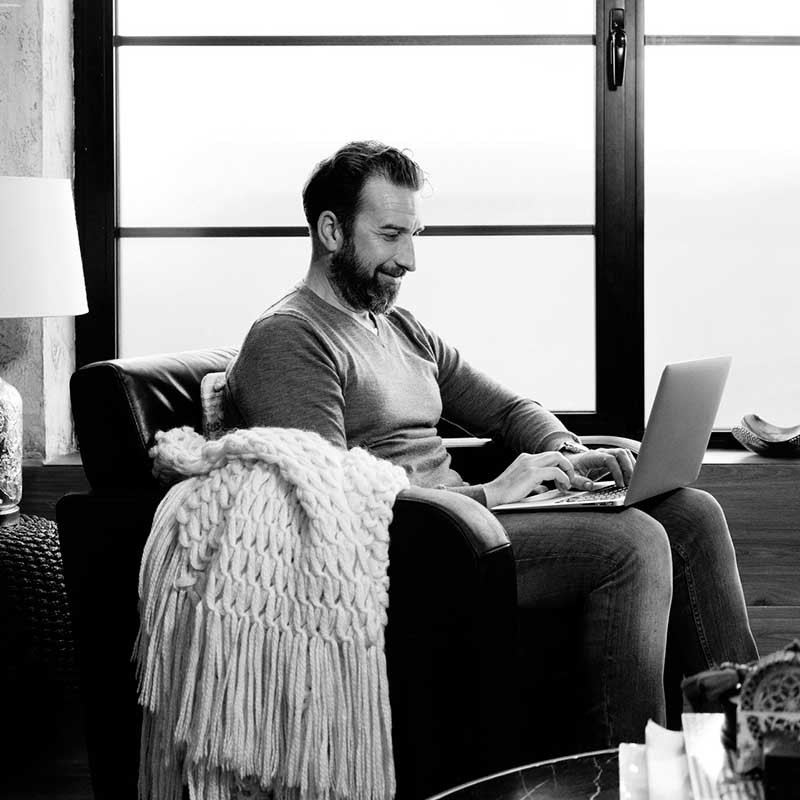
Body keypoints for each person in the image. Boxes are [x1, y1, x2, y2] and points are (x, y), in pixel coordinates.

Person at [225, 140, 758, 747]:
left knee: (691, 513)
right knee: (632, 544)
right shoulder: (288, 340)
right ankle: (621, 773)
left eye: (415, 234)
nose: (410, 260)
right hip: (418, 547)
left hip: (471, 520)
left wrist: (564, 451)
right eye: (392, 234)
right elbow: (331, 505)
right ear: (330, 231)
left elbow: (508, 408)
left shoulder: (400, 327)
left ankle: (745, 745)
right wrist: (492, 492)